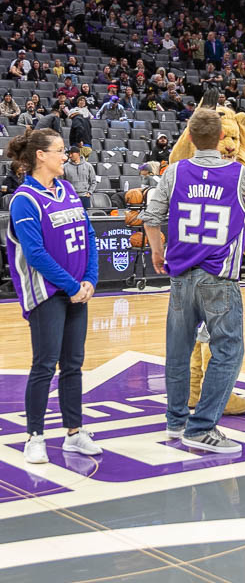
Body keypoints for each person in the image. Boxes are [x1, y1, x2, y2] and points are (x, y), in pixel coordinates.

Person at [142, 108, 245, 453]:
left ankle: (176, 421)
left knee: (177, 354)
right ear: (220, 137)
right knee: (228, 351)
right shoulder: (237, 174)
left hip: (180, 278)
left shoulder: (175, 171)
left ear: (190, 138)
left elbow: (151, 217)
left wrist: (156, 251)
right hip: (219, 278)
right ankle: (202, 426)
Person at [5, 128, 101, 464]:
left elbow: (87, 233)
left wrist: (89, 279)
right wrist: (72, 287)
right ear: (40, 156)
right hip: (47, 293)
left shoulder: (68, 189)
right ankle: (35, 437)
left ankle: (74, 433)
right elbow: (35, 254)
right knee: (44, 366)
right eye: (60, 150)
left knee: (73, 365)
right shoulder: (24, 200)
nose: (66, 156)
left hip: (78, 291)